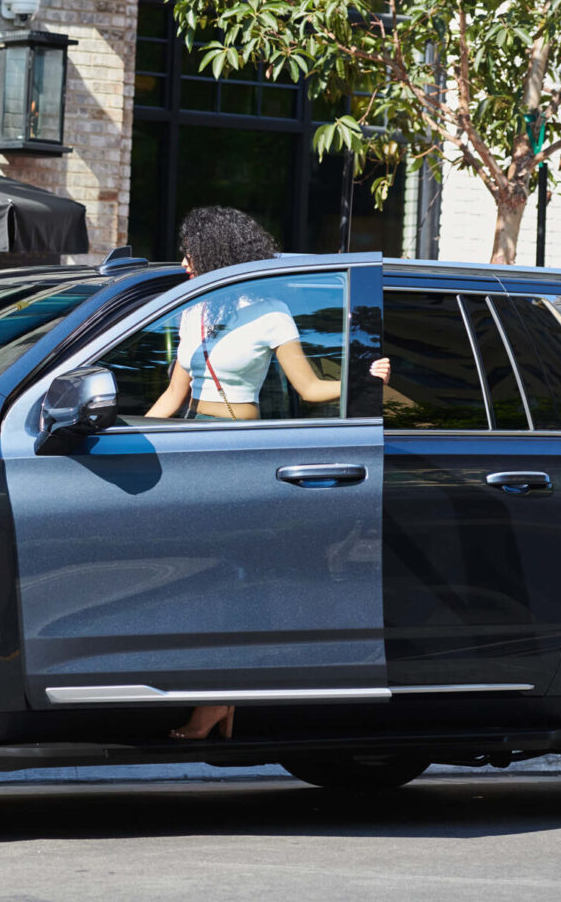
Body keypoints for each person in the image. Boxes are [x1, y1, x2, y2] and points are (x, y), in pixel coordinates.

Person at [147, 206, 390, 740]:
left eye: (191, 252)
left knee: (229, 581)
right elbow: (173, 394)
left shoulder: (271, 312)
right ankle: (220, 699)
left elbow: (310, 389)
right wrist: (131, 437)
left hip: (239, 454)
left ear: (217, 255)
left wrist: (365, 376)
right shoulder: (192, 312)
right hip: (193, 450)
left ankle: (217, 702)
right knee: (199, 579)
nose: (184, 261)